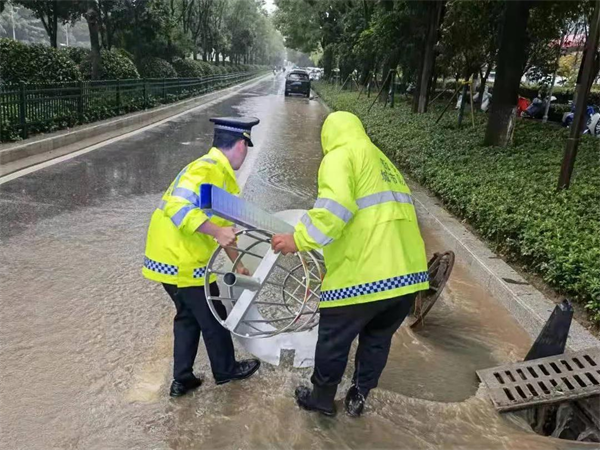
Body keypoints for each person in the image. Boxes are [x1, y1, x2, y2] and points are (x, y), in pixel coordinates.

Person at [271, 111, 429, 417]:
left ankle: (322, 400)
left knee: (333, 340)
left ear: (328, 135)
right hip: (407, 278)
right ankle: (359, 395)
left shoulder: (340, 156)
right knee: (377, 339)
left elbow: (334, 210)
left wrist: (298, 239)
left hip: (365, 275)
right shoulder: (383, 162)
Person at [143, 116, 261, 397]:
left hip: (170, 259)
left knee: (187, 316)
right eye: (246, 147)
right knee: (214, 315)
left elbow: (226, 229)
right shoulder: (205, 169)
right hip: (182, 261)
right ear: (242, 145)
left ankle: (182, 379)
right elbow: (177, 206)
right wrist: (215, 232)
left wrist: (238, 263)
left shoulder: (220, 175)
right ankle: (226, 371)